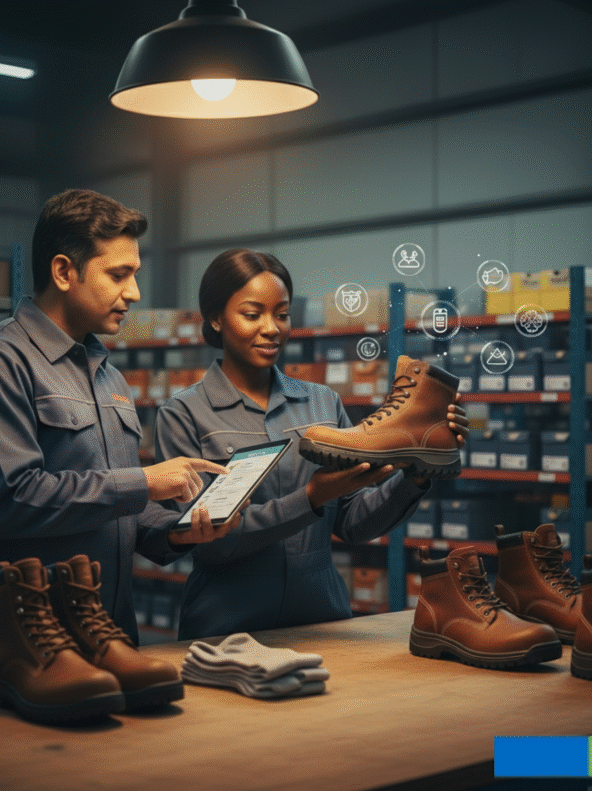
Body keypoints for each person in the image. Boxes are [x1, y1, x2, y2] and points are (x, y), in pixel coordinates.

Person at [0, 189, 238, 670]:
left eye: (134, 274)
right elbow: (11, 502)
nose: (134, 293)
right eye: (118, 275)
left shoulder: (108, 375)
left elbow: (116, 509)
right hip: (23, 644)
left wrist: (182, 531)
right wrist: (144, 481)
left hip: (109, 632)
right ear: (63, 272)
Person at [154, 248, 469, 639]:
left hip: (322, 623)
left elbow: (354, 523)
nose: (272, 328)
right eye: (252, 314)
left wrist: (418, 472)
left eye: (282, 314)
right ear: (216, 318)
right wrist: (311, 498)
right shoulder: (183, 414)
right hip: (225, 629)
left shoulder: (322, 402)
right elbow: (207, 544)